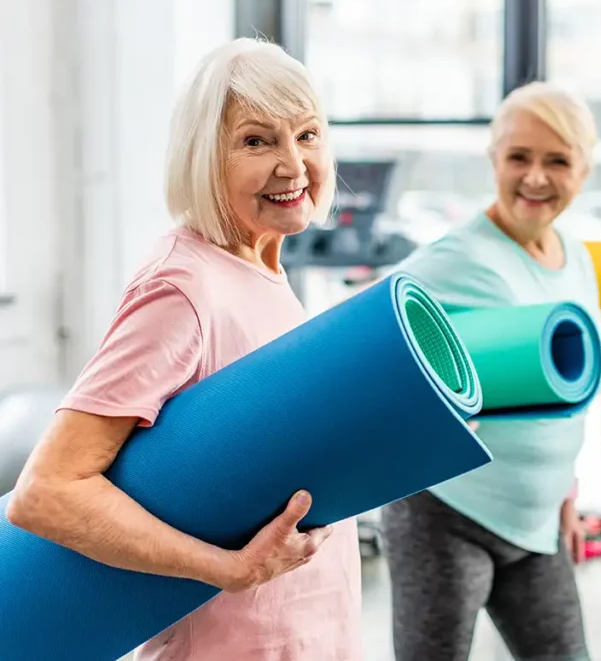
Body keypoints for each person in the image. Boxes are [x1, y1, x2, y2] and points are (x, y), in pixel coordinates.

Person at [5, 38, 363, 660]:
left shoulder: (260, 271)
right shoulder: (183, 286)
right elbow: (50, 491)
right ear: (204, 156)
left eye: (306, 135)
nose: (293, 165)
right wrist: (226, 568)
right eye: (257, 141)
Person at [379, 80, 601, 661]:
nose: (535, 177)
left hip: (536, 524)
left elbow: (571, 389)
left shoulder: (575, 257)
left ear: (583, 171)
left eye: (556, 161)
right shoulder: (454, 259)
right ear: (494, 160)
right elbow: (368, 341)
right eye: (518, 158)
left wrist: (567, 487)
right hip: (447, 515)